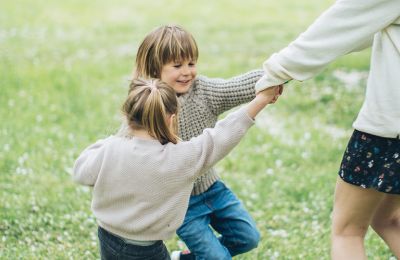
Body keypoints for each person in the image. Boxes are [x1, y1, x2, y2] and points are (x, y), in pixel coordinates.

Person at [73, 78, 281, 260]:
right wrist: (260, 100)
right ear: (172, 120)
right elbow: (222, 136)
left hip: (108, 239)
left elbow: (81, 172)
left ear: (128, 117)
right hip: (148, 251)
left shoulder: (110, 148)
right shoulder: (180, 158)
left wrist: (113, 141)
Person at [255, 0, 400, 258]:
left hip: (388, 130)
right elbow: (368, 24)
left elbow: (339, 25)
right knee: (388, 218)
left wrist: (273, 73)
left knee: (348, 231)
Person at [118, 25, 272, 260]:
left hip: (213, 189)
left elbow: (238, 85)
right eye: (177, 65)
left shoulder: (204, 92)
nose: (187, 72)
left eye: (191, 63)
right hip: (181, 203)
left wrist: (278, 73)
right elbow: (126, 144)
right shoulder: (149, 104)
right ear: (155, 69)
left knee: (248, 237)